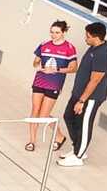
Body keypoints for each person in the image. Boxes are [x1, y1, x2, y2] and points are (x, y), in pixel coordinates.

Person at [55, 22, 107, 167]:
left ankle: (79, 156)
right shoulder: (93, 47)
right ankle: (78, 148)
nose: (85, 38)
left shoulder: (103, 54)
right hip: (79, 93)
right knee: (68, 116)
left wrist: (82, 101)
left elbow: (95, 80)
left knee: (84, 124)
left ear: (96, 37)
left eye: (87, 36)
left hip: (90, 98)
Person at [27, 20, 77, 151]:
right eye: (52, 32)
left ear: (64, 32)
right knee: (35, 111)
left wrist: (56, 70)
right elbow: (35, 62)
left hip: (54, 84)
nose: (53, 35)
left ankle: (60, 136)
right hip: (39, 81)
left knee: (44, 116)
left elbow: (73, 68)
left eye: (57, 32)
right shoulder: (44, 45)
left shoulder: (69, 48)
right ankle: (32, 141)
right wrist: (38, 67)